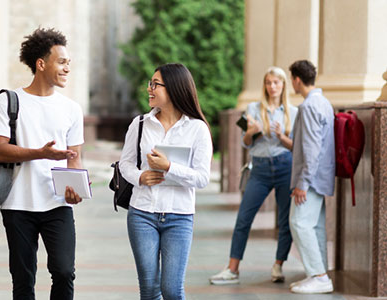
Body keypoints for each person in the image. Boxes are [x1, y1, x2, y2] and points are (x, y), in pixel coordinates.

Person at [0, 27, 85, 300]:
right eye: (62, 62)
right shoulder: (9, 101)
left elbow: (74, 158)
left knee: (65, 272)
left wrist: (76, 187)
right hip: (18, 204)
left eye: (69, 63)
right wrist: (40, 154)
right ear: (41, 64)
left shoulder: (72, 109)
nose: (67, 68)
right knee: (23, 279)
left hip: (57, 204)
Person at [119, 63, 212, 299]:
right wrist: (140, 177)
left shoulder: (197, 129)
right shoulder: (139, 124)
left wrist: (169, 167)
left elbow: (202, 178)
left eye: (155, 84)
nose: (149, 89)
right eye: (150, 83)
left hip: (179, 217)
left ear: (173, 88)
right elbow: (125, 164)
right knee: (149, 290)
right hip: (142, 214)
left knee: (172, 290)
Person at [209, 67, 297, 285]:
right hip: (259, 169)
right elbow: (245, 143)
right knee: (243, 218)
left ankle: (278, 266)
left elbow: (296, 147)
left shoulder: (293, 112)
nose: (272, 86)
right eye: (268, 82)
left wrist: (280, 136)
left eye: (276, 82)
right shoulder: (253, 109)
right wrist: (250, 131)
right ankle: (232, 269)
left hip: (285, 166)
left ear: (283, 85)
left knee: (284, 220)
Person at [286, 60, 335, 294]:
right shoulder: (324, 103)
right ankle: (318, 274)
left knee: (299, 223)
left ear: (296, 79)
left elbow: (311, 149)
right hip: (321, 177)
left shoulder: (307, 107)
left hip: (310, 179)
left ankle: (319, 276)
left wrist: (302, 183)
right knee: (314, 227)